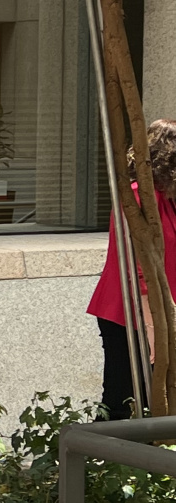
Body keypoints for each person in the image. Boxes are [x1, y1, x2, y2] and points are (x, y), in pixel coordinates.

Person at [85, 118, 176, 419]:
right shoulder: (138, 197)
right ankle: (105, 461)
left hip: (163, 311)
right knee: (122, 397)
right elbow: (137, 267)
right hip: (129, 313)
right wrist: (152, 328)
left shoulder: (170, 198)